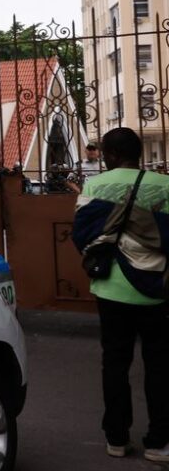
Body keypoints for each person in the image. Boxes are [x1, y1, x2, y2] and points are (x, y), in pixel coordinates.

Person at [74, 127, 169, 460]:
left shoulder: (95, 186)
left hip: (111, 289)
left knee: (115, 363)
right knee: (159, 365)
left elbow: (82, 234)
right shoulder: (164, 185)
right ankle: (159, 442)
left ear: (112, 155)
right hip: (157, 289)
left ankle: (116, 437)